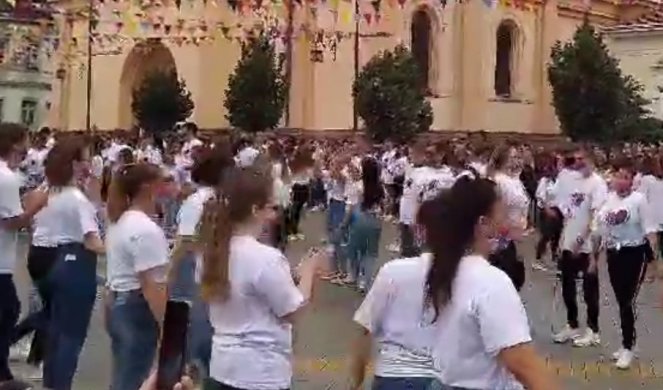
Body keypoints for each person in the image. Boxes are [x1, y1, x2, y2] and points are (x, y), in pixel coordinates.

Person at [197, 167, 327, 390]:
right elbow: (293, 312)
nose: (274, 215)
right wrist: (308, 273)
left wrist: (291, 274)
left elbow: (245, 288)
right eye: (272, 207)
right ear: (255, 209)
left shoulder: (210, 252)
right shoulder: (265, 257)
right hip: (260, 372)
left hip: (222, 365)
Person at [424, 177, 557, 390]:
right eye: (504, 214)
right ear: (483, 223)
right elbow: (521, 363)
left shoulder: (443, 267)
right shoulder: (490, 281)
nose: (509, 222)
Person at [350, 200, 437, 390]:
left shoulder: (393, 271)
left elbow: (366, 330)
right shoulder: (471, 276)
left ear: (419, 232)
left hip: (394, 375)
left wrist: (356, 384)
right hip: (446, 377)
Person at [41, 140, 105, 390]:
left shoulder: (54, 192)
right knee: (72, 336)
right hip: (78, 262)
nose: (89, 165)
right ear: (75, 165)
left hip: (57, 259)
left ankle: (51, 383)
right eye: (86, 160)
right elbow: (92, 241)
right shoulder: (77, 199)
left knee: (56, 332)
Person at [105, 163, 170, 389]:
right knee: (135, 377)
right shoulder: (146, 230)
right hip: (136, 305)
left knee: (124, 373)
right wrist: (166, 325)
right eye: (162, 183)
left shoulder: (119, 223)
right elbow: (151, 283)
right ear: (147, 188)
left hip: (119, 300)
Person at [595, 161, 657, 369]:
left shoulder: (638, 200)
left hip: (634, 253)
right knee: (620, 299)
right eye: (618, 176)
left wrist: (654, 261)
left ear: (632, 180)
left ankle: (628, 347)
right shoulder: (608, 199)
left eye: (626, 177)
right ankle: (626, 342)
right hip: (614, 253)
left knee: (628, 301)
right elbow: (601, 226)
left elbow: (650, 230)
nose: (621, 181)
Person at [0, 123, 47, 385]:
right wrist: (34, 209)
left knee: (9, 309)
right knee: (8, 311)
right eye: (25, 141)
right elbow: (10, 221)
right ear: (15, 144)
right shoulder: (6, 177)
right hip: (0, 261)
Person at [552, 147, 607, 347]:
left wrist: (582, 239)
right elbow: (569, 213)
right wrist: (563, 240)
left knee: (589, 289)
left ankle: (593, 330)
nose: (578, 161)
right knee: (568, 285)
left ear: (592, 159)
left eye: (583, 158)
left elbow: (595, 218)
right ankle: (572, 324)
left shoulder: (598, 184)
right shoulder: (573, 181)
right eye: (576, 158)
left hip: (587, 245)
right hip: (569, 241)